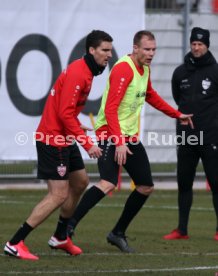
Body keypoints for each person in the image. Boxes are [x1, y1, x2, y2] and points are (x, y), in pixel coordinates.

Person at [66, 30, 193, 253]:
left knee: (145, 187)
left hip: (128, 137)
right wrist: (119, 141)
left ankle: (117, 233)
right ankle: (67, 226)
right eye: (147, 49)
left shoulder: (144, 68)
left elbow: (150, 94)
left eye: (154, 49)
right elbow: (110, 109)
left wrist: (176, 114)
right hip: (110, 134)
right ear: (135, 48)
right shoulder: (124, 68)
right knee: (107, 183)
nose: (151, 53)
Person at [4, 30, 113, 260]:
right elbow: (64, 112)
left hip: (64, 135)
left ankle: (60, 236)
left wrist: (77, 127)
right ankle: (15, 242)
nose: (109, 55)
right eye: (105, 50)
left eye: (110, 50)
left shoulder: (88, 71)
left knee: (81, 182)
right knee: (58, 195)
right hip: (53, 139)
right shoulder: (79, 72)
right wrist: (87, 143)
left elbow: (65, 110)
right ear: (91, 50)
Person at [163, 27, 218, 240]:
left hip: (211, 135)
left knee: (216, 182)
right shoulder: (180, 72)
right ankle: (181, 230)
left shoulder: (215, 71)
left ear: (207, 46)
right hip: (186, 135)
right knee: (184, 182)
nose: (196, 48)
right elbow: (178, 99)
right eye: (193, 44)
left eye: (200, 44)